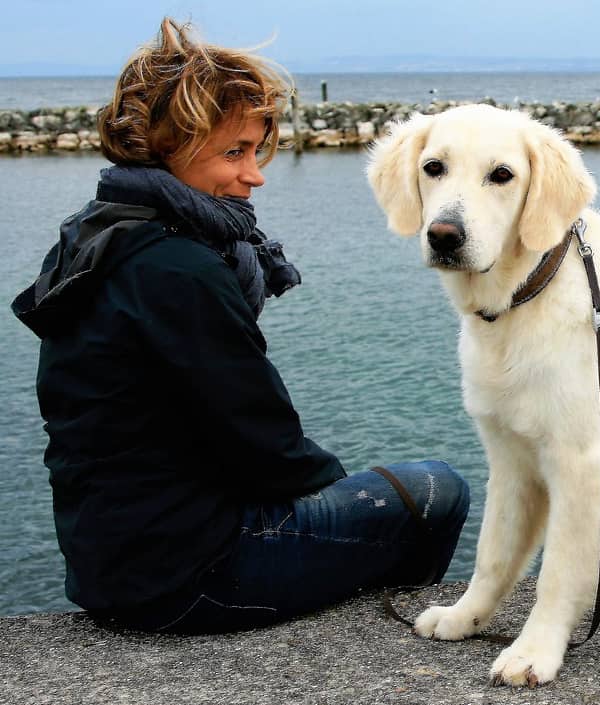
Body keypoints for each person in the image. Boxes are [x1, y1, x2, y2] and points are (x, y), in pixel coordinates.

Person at [11, 18, 469, 634]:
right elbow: (271, 448)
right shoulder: (178, 268)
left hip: (109, 565)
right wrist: (335, 497)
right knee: (436, 490)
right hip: (191, 577)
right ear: (165, 146)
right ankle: (381, 638)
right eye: (233, 152)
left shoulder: (96, 234)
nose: (253, 175)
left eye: (255, 151)